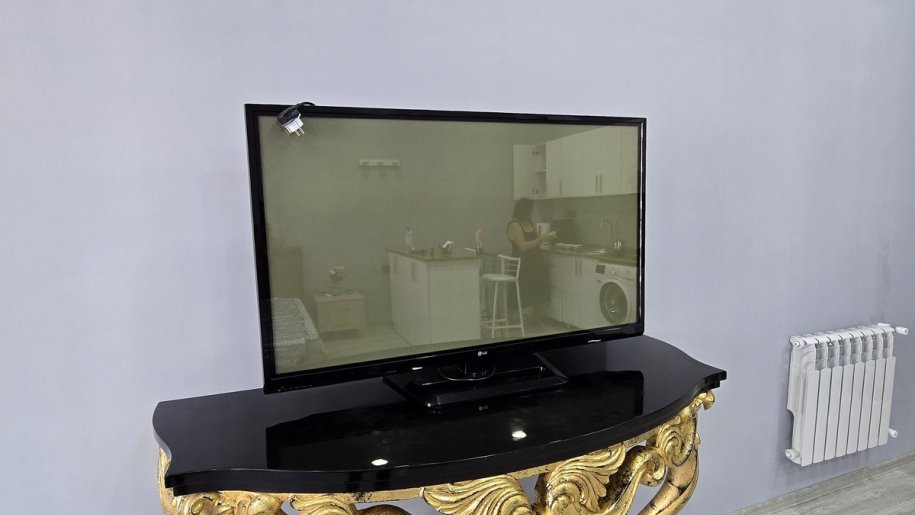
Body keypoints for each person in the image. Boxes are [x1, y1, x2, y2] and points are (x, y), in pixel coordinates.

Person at [506, 198, 556, 317]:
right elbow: (522, 246)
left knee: (538, 286)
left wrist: (546, 238)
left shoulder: (529, 223)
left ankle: (535, 315)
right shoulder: (514, 225)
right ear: (523, 210)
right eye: (530, 210)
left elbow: (535, 239)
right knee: (520, 289)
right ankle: (513, 317)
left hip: (534, 261)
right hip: (522, 263)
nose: (531, 212)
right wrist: (542, 239)